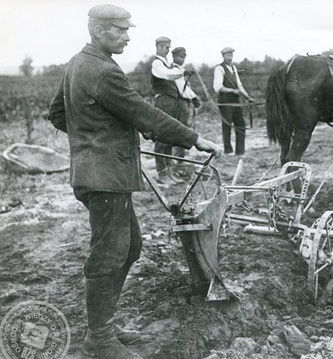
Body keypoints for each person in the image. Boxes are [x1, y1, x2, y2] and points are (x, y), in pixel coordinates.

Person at [47, 5, 222, 359]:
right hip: (105, 176)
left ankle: (105, 328)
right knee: (110, 252)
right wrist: (193, 138)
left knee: (130, 247)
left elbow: (57, 114)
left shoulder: (78, 63)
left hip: (101, 172)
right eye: (121, 30)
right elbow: (143, 112)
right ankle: (99, 338)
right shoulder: (102, 70)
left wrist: (96, 138)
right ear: (99, 32)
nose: (128, 36)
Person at [151, 38, 201, 184]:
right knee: (161, 137)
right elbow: (167, 75)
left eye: (169, 47)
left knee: (168, 137)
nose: (168, 50)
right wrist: (183, 72)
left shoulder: (166, 64)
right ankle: (162, 173)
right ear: (159, 47)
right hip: (163, 102)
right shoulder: (157, 63)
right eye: (166, 47)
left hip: (172, 103)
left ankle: (169, 171)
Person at [213, 47, 255, 156]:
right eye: (228, 55)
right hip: (225, 101)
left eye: (231, 55)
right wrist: (232, 90)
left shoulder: (234, 68)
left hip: (235, 101)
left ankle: (240, 151)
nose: (230, 57)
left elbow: (239, 85)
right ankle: (228, 151)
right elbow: (217, 87)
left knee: (240, 124)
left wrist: (247, 97)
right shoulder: (219, 69)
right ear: (223, 56)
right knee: (227, 126)